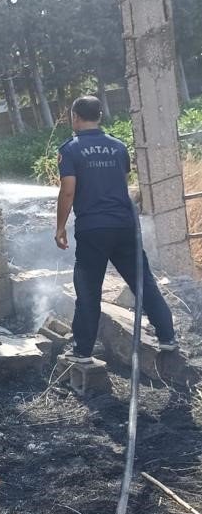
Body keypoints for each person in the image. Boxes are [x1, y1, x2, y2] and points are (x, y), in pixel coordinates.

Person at [55, 95, 177, 363]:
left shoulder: (70, 150)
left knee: (88, 291)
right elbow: (119, 184)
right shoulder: (118, 147)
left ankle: (83, 352)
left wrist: (60, 227)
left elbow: (67, 192)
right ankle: (168, 338)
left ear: (75, 117)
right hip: (124, 227)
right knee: (143, 283)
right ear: (99, 116)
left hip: (93, 231)